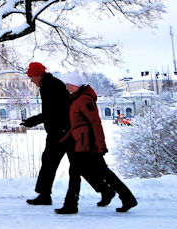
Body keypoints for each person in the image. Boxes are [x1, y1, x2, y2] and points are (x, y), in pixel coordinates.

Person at [53, 71, 138, 215]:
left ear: (74, 84)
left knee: (77, 172)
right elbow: (77, 125)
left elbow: (95, 123)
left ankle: (71, 205)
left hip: (88, 145)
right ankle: (125, 197)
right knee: (102, 172)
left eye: (68, 85)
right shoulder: (77, 99)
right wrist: (64, 139)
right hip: (83, 143)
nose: (67, 88)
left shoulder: (84, 100)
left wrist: (100, 145)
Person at [21, 62, 78, 206]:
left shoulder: (48, 86)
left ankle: (45, 195)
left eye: (32, 77)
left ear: (38, 75)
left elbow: (51, 112)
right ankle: (105, 189)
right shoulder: (52, 83)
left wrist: (32, 121)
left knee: (50, 161)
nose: (32, 81)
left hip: (60, 131)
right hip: (65, 129)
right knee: (77, 164)